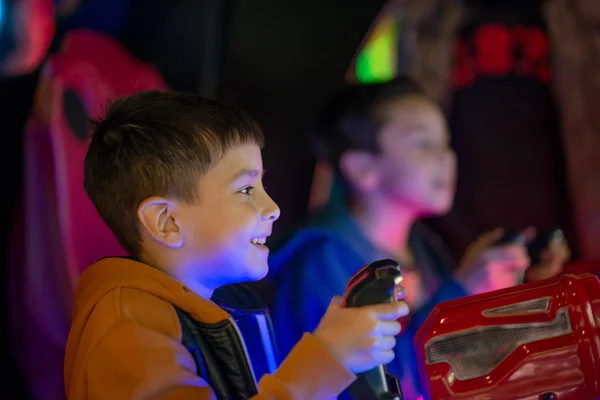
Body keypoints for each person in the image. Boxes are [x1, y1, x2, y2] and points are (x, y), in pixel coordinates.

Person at [63, 90, 410, 399]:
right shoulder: (126, 329)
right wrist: (328, 357)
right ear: (166, 222)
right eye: (246, 190)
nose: (272, 209)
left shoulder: (228, 306)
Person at [268, 76, 570, 399]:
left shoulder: (425, 250)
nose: (447, 158)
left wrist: (513, 292)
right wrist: (462, 292)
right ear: (362, 168)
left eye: (446, 143)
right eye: (423, 143)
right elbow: (376, 388)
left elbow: (468, 363)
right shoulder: (321, 264)